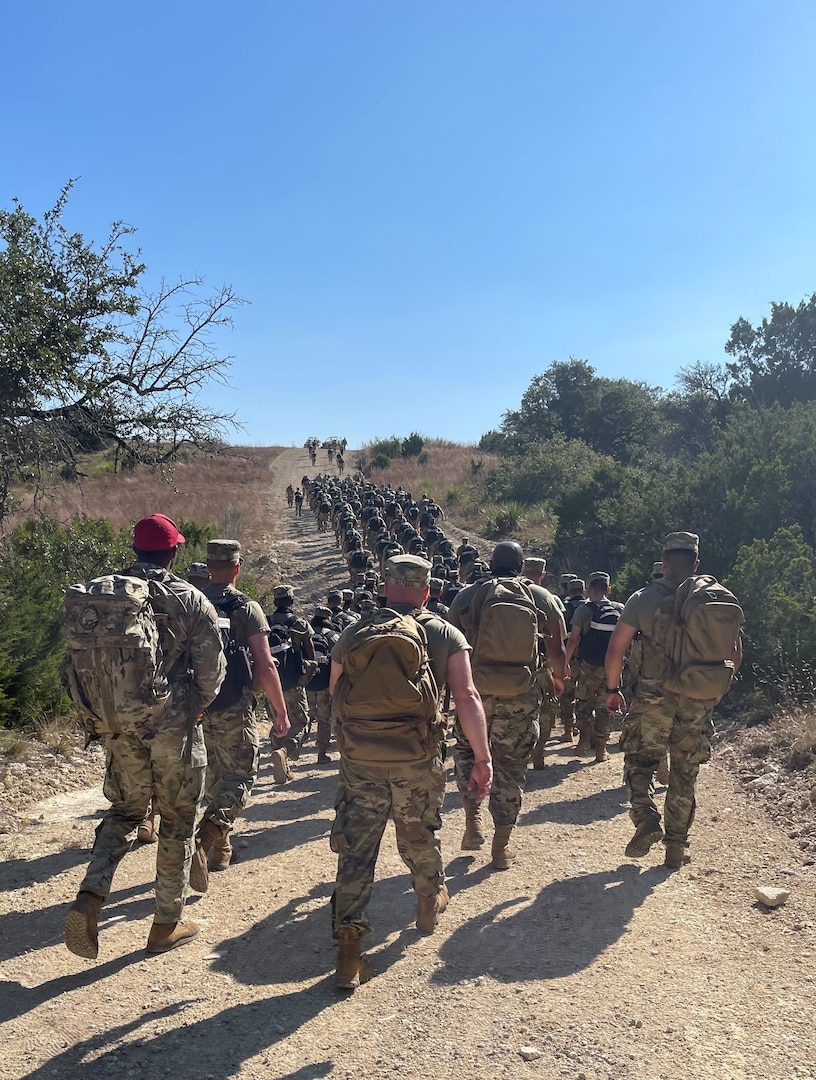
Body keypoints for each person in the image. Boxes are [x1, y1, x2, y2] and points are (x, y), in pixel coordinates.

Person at [64, 514, 225, 958]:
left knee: (126, 811)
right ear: (174, 552)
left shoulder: (105, 597)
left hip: (118, 724)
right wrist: (193, 707)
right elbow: (212, 672)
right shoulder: (188, 598)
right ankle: (165, 924)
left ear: (134, 551)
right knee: (177, 819)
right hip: (173, 725)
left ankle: (90, 897)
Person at [328, 555, 492, 990]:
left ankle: (348, 954)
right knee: (418, 830)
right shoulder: (443, 632)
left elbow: (335, 694)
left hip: (361, 759)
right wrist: (482, 756)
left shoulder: (356, 631)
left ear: (386, 585)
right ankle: (426, 900)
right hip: (417, 757)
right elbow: (467, 693)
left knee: (357, 850)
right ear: (427, 589)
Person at [604, 532, 743, 869]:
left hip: (653, 697)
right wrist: (719, 687)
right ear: (696, 564)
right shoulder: (713, 601)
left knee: (639, 762)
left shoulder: (643, 598)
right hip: (697, 697)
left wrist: (612, 688)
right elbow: (734, 652)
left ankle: (646, 818)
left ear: (664, 564)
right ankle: (676, 850)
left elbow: (616, 650)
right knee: (685, 771)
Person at [446, 541, 566, 869]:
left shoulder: (467, 595)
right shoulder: (542, 597)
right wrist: (558, 677)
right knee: (510, 768)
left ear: (490, 563)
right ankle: (501, 846)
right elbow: (556, 648)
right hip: (521, 694)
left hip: (476, 694)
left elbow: (452, 647)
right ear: (522, 564)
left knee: (468, 753)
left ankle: (473, 821)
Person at [193, 540, 290, 886]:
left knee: (216, 777)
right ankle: (205, 840)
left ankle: (222, 849)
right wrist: (281, 711)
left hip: (196, 706)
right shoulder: (245, 608)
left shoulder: (191, 602)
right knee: (242, 775)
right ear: (237, 567)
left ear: (208, 566)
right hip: (234, 703)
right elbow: (265, 664)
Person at [564, 571, 623, 762]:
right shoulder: (620, 609)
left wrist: (564, 663)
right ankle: (601, 749)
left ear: (588, 589)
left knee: (584, 704)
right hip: (612, 668)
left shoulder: (583, 610)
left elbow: (573, 640)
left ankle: (583, 739)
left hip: (588, 667)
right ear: (608, 589)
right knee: (606, 708)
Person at [267, 585, 316, 783]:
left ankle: (281, 762)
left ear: (276, 602)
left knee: (277, 722)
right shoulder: (300, 623)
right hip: (294, 682)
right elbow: (310, 650)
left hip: (272, 682)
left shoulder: (266, 622)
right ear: (291, 601)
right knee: (301, 722)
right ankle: (286, 750)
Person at [522, 556, 562, 769]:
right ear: (543, 574)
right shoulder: (548, 598)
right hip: (541, 665)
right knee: (545, 711)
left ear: (522, 570)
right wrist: (560, 673)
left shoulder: (500, 592)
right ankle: (538, 754)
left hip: (508, 666)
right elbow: (559, 640)